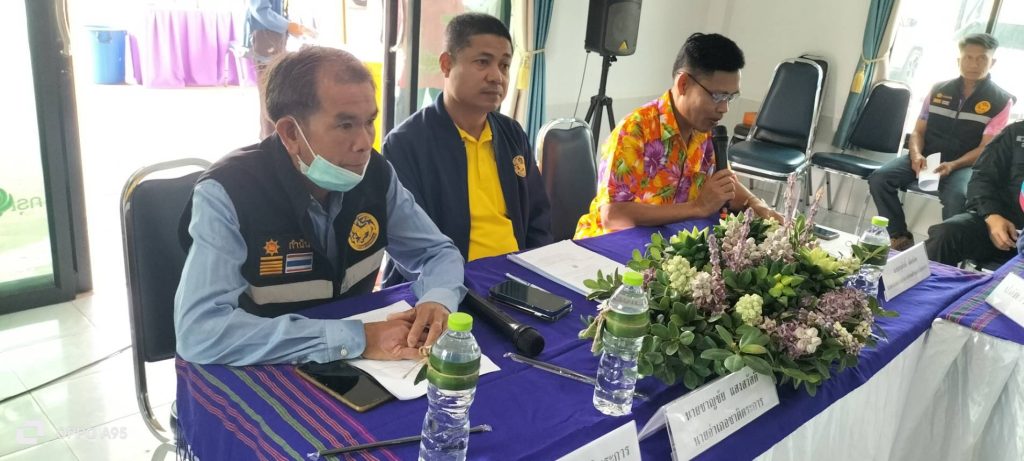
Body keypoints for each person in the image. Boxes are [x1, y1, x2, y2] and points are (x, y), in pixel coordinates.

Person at [174, 47, 466, 366]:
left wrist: (438, 300)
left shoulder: (376, 175)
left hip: (362, 364)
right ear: (291, 133)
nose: (365, 143)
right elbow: (201, 333)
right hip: (264, 365)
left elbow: (438, 253)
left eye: (369, 122)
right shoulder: (229, 192)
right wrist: (357, 338)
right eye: (345, 125)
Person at [382, 13, 551, 284]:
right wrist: (454, 286)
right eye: (482, 62)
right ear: (446, 64)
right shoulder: (406, 143)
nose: (496, 77)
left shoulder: (512, 134)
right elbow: (411, 246)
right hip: (447, 284)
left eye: (505, 65)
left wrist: (535, 273)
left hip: (516, 278)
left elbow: (538, 218)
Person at [574, 33, 781, 239]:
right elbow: (613, 216)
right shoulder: (635, 130)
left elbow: (723, 184)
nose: (724, 108)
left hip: (665, 240)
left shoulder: (705, 130)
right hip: (608, 243)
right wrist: (697, 207)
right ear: (684, 84)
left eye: (730, 97)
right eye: (718, 96)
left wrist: (756, 204)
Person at [868, 33, 1014, 251]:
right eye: (968, 57)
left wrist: (953, 165)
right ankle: (899, 236)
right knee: (880, 178)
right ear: (958, 60)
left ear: (992, 62)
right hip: (927, 157)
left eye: (981, 58)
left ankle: (947, 252)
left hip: (965, 165)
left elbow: (985, 148)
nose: (974, 64)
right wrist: (916, 155)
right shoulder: (938, 90)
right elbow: (918, 131)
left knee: (958, 197)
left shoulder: (1001, 100)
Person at [925, 120, 1024, 267]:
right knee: (945, 235)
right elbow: (983, 177)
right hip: (1002, 223)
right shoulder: (1015, 132)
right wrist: (991, 216)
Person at [246, 0, 316, 139]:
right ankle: (270, 139)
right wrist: (288, 25)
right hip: (265, 37)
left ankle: (272, 138)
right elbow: (260, 11)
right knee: (269, 92)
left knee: (274, 90)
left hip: (273, 36)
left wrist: (290, 26)